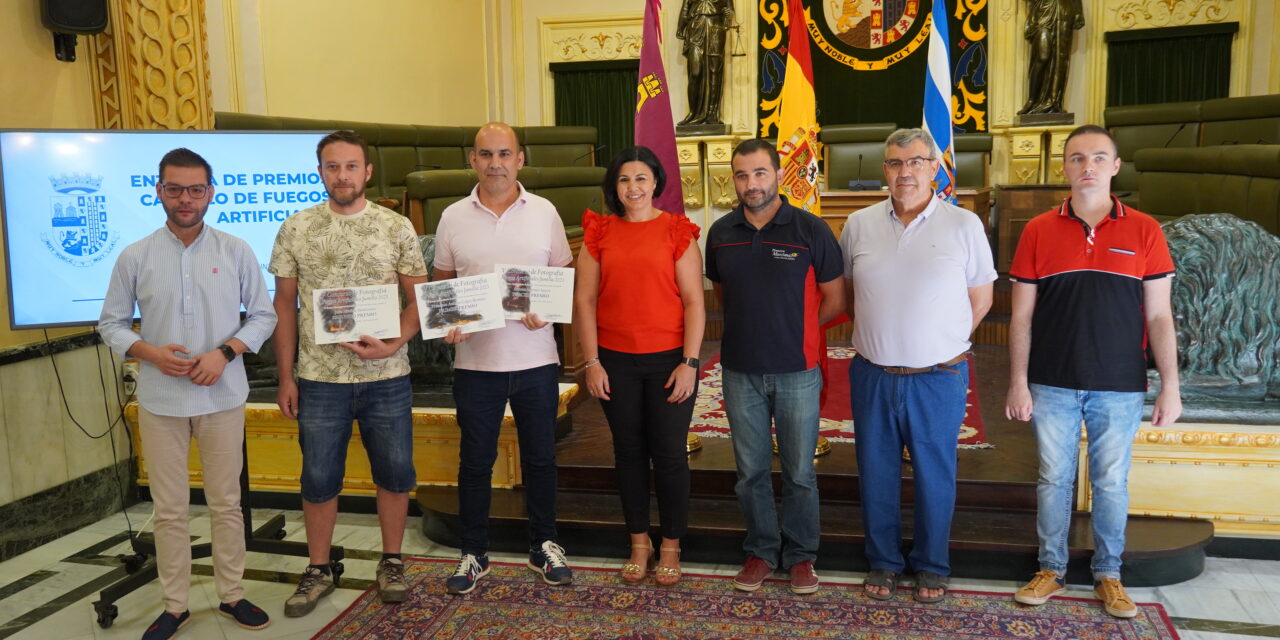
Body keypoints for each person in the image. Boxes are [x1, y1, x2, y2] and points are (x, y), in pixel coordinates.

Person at [99, 148, 276, 639]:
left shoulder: (236, 249)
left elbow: (263, 315)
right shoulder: (134, 255)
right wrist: (150, 353)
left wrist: (224, 352)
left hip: (223, 396)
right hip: (161, 399)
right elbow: (110, 324)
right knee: (170, 507)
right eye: (174, 188)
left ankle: (232, 595)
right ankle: (174, 605)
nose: (185, 199)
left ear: (210, 193)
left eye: (196, 189)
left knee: (225, 502)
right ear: (158, 191)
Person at [1006, 124, 1181, 618]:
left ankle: (1109, 573)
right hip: (1051, 381)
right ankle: (1050, 568)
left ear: (1116, 166)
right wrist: (1018, 381)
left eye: (1098, 158)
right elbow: (1020, 317)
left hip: (1120, 384)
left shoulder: (1145, 229)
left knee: (1110, 481)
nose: (1088, 167)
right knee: (1053, 479)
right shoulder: (1037, 230)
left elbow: (1160, 316)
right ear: (1063, 166)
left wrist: (1171, 386)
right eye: (1078, 158)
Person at [268, 130, 428, 617]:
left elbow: (419, 297)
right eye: (332, 166)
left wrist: (395, 342)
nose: (342, 175)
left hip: (387, 375)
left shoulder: (395, 226)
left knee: (396, 473)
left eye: (351, 166)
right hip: (318, 378)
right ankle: (318, 568)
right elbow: (284, 305)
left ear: (368, 171)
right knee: (317, 477)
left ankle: (392, 561)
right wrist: (286, 376)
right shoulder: (296, 227)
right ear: (320, 172)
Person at [841, 128, 996, 604]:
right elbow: (849, 294)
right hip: (873, 373)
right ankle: (883, 562)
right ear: (884, 170)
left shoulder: (964, 225)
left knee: (935, 473)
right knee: (877, 472)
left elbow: (981, 298)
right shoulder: (858, 223)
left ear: (935, 167)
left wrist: (940, 342)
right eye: (894, 163)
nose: (904, 171)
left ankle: (932, 564)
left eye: (914, 162)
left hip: (938, 377)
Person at [433, 122, 575, 595]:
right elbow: (443, 285)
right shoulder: (453, 216)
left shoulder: (545, 211)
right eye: (486, 154)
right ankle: (474, 553)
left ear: (520, 160)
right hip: (475, 365)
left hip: (536, 360)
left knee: (540, 459)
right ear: (471, 160)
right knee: (475, 463)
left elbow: (563, 274)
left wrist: (549, 311)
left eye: (504, 153)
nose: (495, 162)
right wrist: (446, 321)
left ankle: (545, 545)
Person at [705, 138, 845, 595]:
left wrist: (796, 327)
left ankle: (802, 555)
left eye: (760, 173)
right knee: (751, 471)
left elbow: (835, 299)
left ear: (778, 174)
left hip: (797, 370)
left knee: (801, 471)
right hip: (739, 370)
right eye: (742, 175)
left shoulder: (810, 230)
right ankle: (762, 551)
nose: (751, 184)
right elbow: (725, 297)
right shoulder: (721, 232)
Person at [574, 146, 705, 586]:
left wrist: (690, 362)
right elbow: (584, 301)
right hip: (614, 361)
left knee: (668, 455)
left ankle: (671, 544)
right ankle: (638, 542)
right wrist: (591, 362)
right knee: (628, 453)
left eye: (642, 178)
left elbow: (694, 301)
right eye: (625, 179)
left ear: (656, 183)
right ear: (615, 186)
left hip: (670, 361)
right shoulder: (598, 232)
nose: (633, 187)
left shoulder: (677, 230)